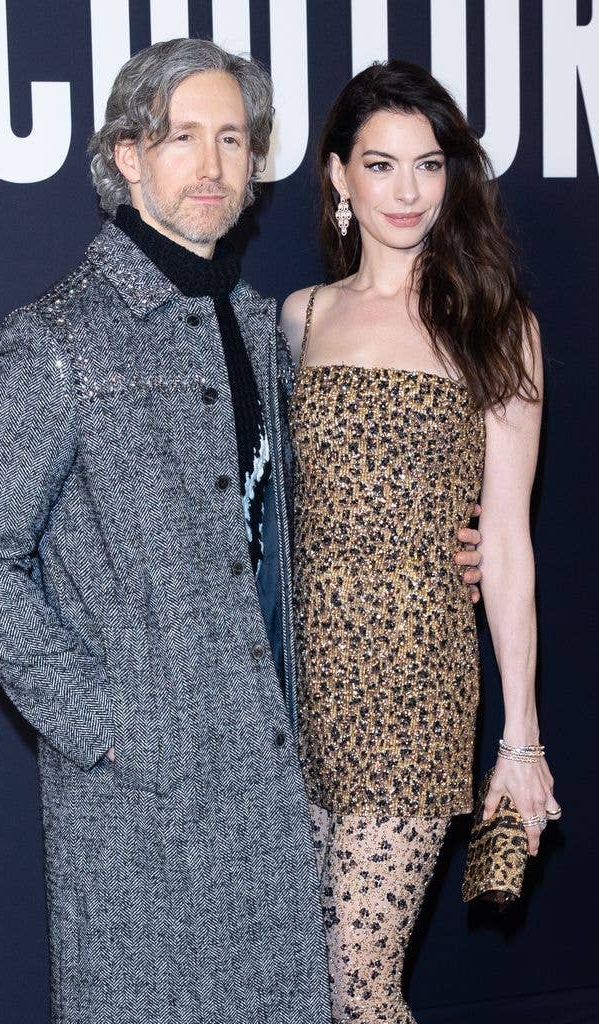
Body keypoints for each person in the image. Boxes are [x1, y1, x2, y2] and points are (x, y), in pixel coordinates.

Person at [0, 37, 335, 1024]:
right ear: (125, 156)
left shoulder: (251, 327)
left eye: (232, 139)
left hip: (269, 780)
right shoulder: (57, 337)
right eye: (180, 137)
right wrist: (105, 727)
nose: (209, 166)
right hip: (144, 808)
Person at [280, 60, 560, 1024]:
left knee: (360, 988)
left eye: (429, 165)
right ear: (336, 177)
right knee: (306, 987)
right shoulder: (299, 318)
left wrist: (518, 739)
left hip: (413, 686)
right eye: (381, 164)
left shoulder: (493, 326)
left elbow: (509, 543)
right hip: (294, 689)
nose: (407, 191)